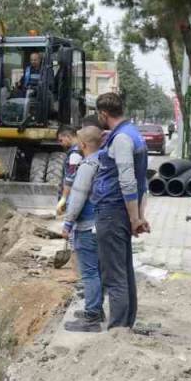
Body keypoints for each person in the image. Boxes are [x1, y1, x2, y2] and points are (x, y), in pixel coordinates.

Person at [89, 91, 150, 332]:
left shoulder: (122, 140)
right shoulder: (131, 135)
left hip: (112, 212)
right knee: (123, 270)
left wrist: (136, 218)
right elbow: (141, 179)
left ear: (103, 114)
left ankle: (117, 331)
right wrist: (138, 216)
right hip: (120, 212)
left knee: (113, 275)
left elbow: (128, 182)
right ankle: (125, 326)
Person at [61, 125, 105, 330]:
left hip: (87, 226)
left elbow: (77, 197)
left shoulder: (88, 165)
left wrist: (68, 223)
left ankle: (92, 317)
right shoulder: (105, 161)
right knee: (97, 269)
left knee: (89, 272)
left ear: (84, 144)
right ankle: (96, 308)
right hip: (102, 224)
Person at [55, 124, 83, 216]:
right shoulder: (81, 149)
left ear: (68, 136)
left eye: (61, 140)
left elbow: (70, 178)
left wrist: (63, 198)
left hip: (74, 196)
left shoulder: (75, 154)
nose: (60, 143)